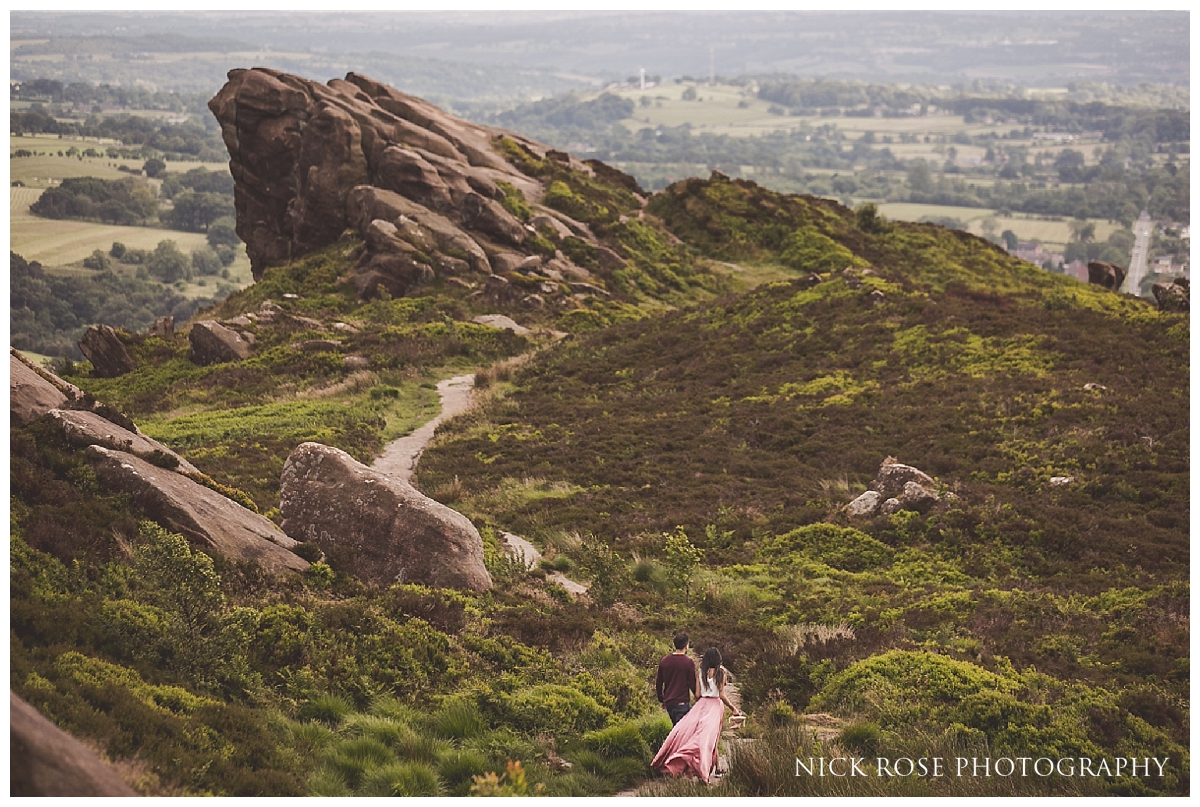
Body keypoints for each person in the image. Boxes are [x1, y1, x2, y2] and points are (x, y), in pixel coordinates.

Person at [651, 646, 742, 783]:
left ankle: (714, 767)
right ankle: (703, 771)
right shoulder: (721, 673)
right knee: (709, 738)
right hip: (715, 706)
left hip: (701, 705)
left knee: (701, 736)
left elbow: (697, 694)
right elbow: (721, 694)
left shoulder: (701, 672)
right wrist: (733, 708)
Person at [655, 633, 697, 725]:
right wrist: (698, 697)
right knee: (682, 733)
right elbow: (692, 684)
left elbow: (659, 683)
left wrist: (662, 699)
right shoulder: (688, 662)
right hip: (681, 703)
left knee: (677, 729)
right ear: (686, 646)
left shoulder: (665, 661)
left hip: (669, 703)